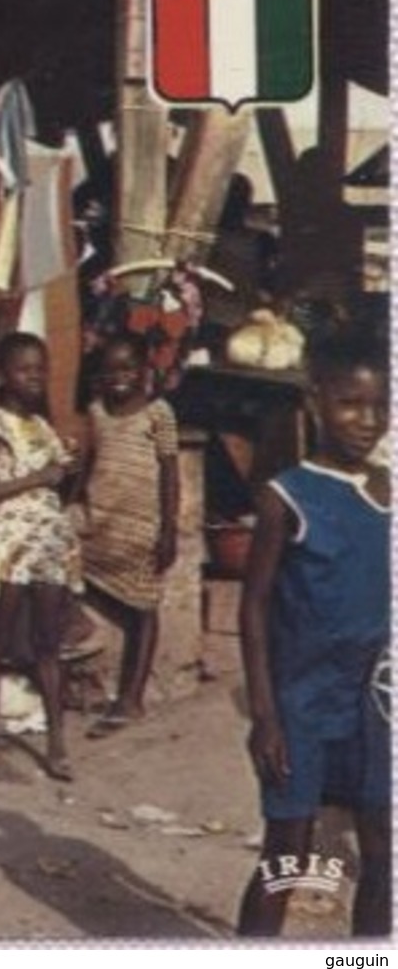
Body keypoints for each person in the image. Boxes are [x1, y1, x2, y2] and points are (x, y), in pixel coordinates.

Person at [236, 332, 390, 936]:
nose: (366, 420)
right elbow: (252, 610)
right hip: (301, 703)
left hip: (373, 704)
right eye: (350, 404)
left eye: (379, 406)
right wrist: (266, 716)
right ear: (315, 402)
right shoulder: (287, 497)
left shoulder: (388, 491)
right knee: (288, 856)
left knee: (383, 850)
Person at [0, 332, 84, 783]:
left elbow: (56, 485)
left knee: (48, 644)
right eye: (24, 370)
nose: (34, 378)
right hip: (9, 541)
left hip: (47, 542)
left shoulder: (44, 425)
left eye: (40, 369)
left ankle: (56, 743)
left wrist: (66, 474)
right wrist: (38, 477)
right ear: (5, 375)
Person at [78, 333, 179, 737]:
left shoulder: (159, 414)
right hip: (100, 522)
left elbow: (170, 474)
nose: (119, 378)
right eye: (110, 371)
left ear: (144, 372)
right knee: (68, 571)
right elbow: (90, 464)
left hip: (142, 528)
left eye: (128, 369)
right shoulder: (97, 412)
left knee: (142, 607)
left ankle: (130, 698)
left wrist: (170, 528)